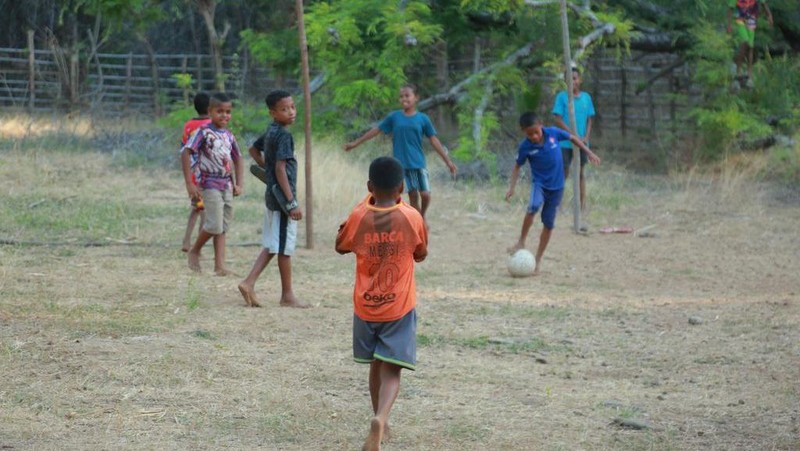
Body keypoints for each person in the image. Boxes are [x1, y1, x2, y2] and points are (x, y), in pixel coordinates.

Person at [335, 156, 428, 451]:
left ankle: (379, 421)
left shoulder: (359, 214)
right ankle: (381, 418)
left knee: (375, 364)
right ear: (401, 186)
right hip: (398, 307)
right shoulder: (412, 216)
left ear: (369, 186)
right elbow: (421, 252)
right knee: (392, 370)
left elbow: (340, 246)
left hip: (366, 307)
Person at [343, 83, 457, 225]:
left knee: (425, 194)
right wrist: (355, 143)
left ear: (416, 98)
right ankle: (418, 222)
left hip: (418, 163)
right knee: (412, 195)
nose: (404, 99)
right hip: (400, 165)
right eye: (401, 96)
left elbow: (434, 140)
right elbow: (376, 130)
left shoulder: (423, 119)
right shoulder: (394, 117)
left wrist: (448, 162)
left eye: (407, 96)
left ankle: (423, 214)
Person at [237, 90, 309, 309]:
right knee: (284, 248)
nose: (291, 112)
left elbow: (252, 149)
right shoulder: (284, 135)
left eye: (293, 107)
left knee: (273, 245)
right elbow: (280, 167)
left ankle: (249, 282)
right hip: (281, 200)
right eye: (284, 109)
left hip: (272, 196)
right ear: (273, 113)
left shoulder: (272, 130)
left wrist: (266, 170)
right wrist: (291, 202)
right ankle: (287, 295)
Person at [506, 112, 600, 276]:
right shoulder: (525, 147)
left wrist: (589, 152)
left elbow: (572, 138)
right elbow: (516, 167)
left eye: (536, 132)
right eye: (529, 134)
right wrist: (511, 188)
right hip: (539, 184)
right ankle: (521, 241)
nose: (534, 136)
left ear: (541, 125)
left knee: (548, 225)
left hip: (557, 187)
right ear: (523, 132)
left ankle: (538, 260)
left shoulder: (553, 133)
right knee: (533, 207)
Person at [181, 92, 244, 276]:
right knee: (214, 224)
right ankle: (195, 250)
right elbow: (186, 152)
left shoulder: (229, 135)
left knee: (222, 227)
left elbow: (238, 158)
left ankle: (219, 266)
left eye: (228, 111)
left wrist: (239, 183)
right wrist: (189, 184)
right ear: (210, 111)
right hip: (209, 184)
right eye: (220, 111)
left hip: (227, 185)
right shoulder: (203, 133)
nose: (224, 115)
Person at [552, 67, 596, 221]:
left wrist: (585, 137)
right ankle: (557, 205)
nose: (573, 82)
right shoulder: (562, 97)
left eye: (575, 78)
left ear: (580, 80)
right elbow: (558, 118)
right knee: (563, 173)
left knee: (580, 173)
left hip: (582, 143)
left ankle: (581, 205)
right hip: (565, 143)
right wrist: (571, 134)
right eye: (569, 79)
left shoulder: (586, 98)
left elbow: (590, 119)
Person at [180, 92, 211, 252]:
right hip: (206, 174)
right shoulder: (211, 124)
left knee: (197, 207)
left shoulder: (188, 125)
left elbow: (183, 148)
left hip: (193, 173)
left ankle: (186, 241)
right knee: (204, 209)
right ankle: (198, 245)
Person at [727, 0, 773, 88]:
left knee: (750, 47)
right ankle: (738, 69)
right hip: (740, 19)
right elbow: (730, 8)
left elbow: (764, 3)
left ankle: (749, 74)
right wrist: (729, 25)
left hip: (752, 19)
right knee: (745, 41)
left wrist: (769, 16)